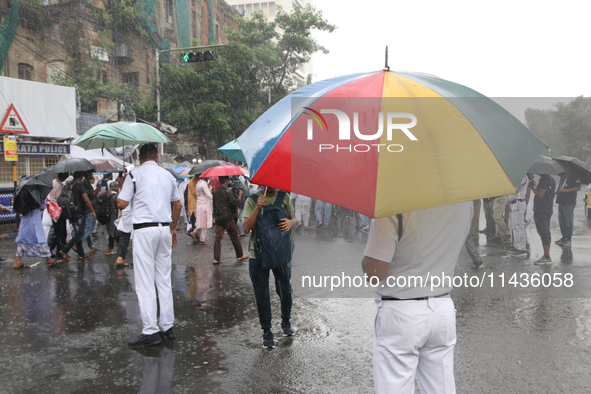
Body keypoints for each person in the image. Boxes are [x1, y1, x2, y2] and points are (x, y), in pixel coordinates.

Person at [361, 202, 472, 393]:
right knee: (441, 388)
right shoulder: (465, 202)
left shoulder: (394, 206)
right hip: (442, 306)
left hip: (401, 311)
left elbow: (374, 272)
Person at [117, 143, 182, 347]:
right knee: (163, 278)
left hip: (144, 231)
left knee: (145, 281)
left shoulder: (134, 176)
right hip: (164, 229)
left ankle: (150, 331)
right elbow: (178, 204)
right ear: (156, 157)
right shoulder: (168, 176)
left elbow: (121, 204)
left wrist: (122, 187)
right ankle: (167, 326)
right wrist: (172, 228)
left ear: (139, 157)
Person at [244, 186, 295, 348]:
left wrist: (290, 222)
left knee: (285, 291)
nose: (272, 185)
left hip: (281, 253)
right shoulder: (252, 200)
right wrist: (257, 208)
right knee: (262, 296)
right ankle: (267, 330)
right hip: (257, 255)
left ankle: (286, 320)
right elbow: (246, 228)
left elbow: (294, 220)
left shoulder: (284, 197)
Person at [58, 171, 96, 261]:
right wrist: (93, 210)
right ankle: (64, 250)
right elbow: (86, 200)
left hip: (70, 211)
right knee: (79, 234)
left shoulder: (69, 185)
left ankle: (81, 253)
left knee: (77, 232)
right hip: (79, 211)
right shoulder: (79, 186)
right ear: (80, 178)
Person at [212, 176, 248, 264]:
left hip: (219, 217)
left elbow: (214, 205)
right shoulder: (228, 191)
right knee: (234, 236)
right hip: (228, 217)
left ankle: (216, 258)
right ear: (227, 180)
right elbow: (234, 203)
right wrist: (239, 196)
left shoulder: (215, 192)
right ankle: (239, 255)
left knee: (218, 238)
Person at [13, 204, 62, 269]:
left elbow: (19, 211)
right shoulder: (36, 198)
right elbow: (43, 206)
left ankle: (17, 261)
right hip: (34, 223)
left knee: (22, 243)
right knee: (41, 241)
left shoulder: (22, 200)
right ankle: (49, 260)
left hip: (24, 224)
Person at [529, 173, 556, 264]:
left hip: (541, 210)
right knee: (546, 232)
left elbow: (541, 194)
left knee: (543, 232)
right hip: (548, 208)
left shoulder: (543, 180)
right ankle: (546, 254)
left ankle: (546, 256)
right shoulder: (552, 180)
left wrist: (532, 188)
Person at [555, 163, 581, 247]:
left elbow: (578, 187)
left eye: (563, 166)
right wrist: (556, 192)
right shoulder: (563, 175)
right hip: (561, 200)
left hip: (569, 201)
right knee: (561, 220)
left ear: (567, 166)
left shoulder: (574, 175)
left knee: (568, 220)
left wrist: (566, 190)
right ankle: (564, 236)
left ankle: (568, 238)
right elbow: (560, 186)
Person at [47, 172, 69, 255]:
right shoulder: (58, 185)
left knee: (58, 231)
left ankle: (52, 249)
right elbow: (59, 198)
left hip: (52, 209)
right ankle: (58, 250)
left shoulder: (52, 182)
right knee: (60, 232)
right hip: (58, 209)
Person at [508, 175, 529, 257]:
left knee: (519, 226)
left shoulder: (523, 177)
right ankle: (516, 245)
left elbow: (515, 186)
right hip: (514, 203)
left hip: (518, 202)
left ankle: (521, 248)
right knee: (514, 226)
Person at [190, 175, 213, 245]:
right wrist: (216, 199)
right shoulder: (203, 183)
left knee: (201, 222)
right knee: (204, 223)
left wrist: (209, 186)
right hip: (204, 205)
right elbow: (208, 194)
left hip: (199, 204)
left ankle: (200, 237)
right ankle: (199, 237)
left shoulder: (198, 183)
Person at [115, 174, 132, 268]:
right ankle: (120, 257)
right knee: (128, 235)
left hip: (125, 213)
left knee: (124, 235)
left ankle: (120, 256)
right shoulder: (128, 189)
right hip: (130, 213)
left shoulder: (121, 189)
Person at [81, 170, 99, 254]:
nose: (92, 174)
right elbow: (90, 196)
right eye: (91, 173)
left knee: (88, 227)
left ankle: (91, 246)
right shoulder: (86, 184)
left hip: (88, 208)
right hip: (89, 209)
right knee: (89, 228)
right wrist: (98, 189)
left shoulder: (87, 183)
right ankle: (77, 243)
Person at [104, 182, 120, 255]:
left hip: (107, 215)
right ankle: (109, 249)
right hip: (114, 214)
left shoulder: (106, 194)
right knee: (114, 231)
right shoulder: (116, 196)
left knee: (113, 230)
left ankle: (120, 246)